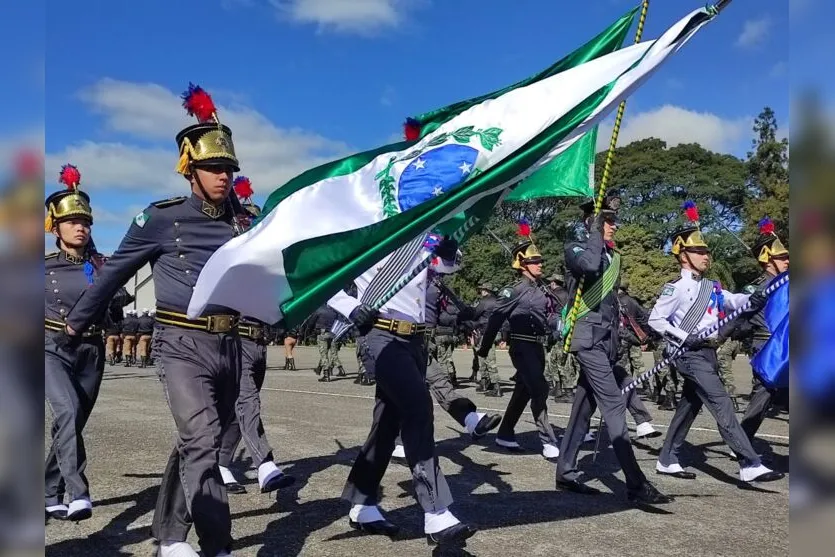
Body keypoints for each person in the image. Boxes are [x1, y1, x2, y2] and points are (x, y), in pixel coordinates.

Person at [61, 83, 250, 557]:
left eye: (228, 167)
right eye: (212, 167)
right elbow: (112, 275)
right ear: (190, 169)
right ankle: (218, 545)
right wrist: (75, 324)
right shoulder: (163, 219)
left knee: (197, 442)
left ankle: (168, 535)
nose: (223, 176)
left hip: (231, 346)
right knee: (203, 440)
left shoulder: (247, 220)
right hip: (180, 343)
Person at [328, 235, 477, 550]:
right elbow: (322, 276)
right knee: (418, 408)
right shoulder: (367, 224)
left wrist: (448, 249)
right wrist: (350, 305)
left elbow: (442, 266)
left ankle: (362, 503)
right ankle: (436, 511)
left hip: (416, 340)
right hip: (380, 334)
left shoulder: (422, 229)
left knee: (386, 425)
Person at [647, 201, 783, 484]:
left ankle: (666, 458)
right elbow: (655, 321)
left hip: (707, 352)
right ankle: (749, 463)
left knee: (689, 407)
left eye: (706, 251)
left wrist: (754, 298)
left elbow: (733, 300)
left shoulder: (711, 286)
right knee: (721, 402)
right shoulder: (676, 287)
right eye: (699, 251)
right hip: (688, 353)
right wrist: (685, 337)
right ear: (683, 255)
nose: (706, 255)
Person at [555, 192, 670, 504]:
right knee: (615, 405)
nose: (614, 226)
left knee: (582, 411)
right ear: (592, 221)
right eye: (608, 220)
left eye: (614, 220)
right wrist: (594, 231)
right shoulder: (575, 248)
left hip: (606, 342)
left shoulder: (612, 256)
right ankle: (635, 484)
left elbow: (612, 305)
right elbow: (590, 268)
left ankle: (565, 472)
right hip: (586, 339)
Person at [44, 164, 111, 522]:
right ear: (55, 227)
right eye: (72, 222)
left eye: (85, 222)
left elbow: (121, 299)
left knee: (72, 423)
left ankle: (47, 490)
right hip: (51, 348)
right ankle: (77, 492)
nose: (81, 227)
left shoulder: (101, 265)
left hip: (92, 351)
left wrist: (106, 276)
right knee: (67, 413)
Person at [218, 181, 294, 496]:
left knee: (239, 410)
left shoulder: (266, 262)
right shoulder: (228, 256)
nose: (250, 224)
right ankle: (265, 465)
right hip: (235, 341)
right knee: (248, 402)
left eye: (254, 220)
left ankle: (221, 463)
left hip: (259, 342)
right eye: (245, 219)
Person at [390, 261, 502, 460]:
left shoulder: (436, 281)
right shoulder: (405, 273)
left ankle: (470, 419)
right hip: (400, 338)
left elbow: (443, 313)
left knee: (436, 381)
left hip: (425, 340)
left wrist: (464, 319)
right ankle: (398, 440)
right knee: (405, 393)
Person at [478, 232, 561, 461]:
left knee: (524, 391)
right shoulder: (513, 290)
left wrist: (562, 323)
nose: (540, 264)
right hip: (521, 346)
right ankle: (548, 441)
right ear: (522, 263)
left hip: (538, 347)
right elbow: (496, 318)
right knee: (540, 388)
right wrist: (484, 347)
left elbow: (547, 317)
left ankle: (505, 433)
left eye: (540, 261)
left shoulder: (542, 289)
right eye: (535, 261)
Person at [729, 218, 790, 447]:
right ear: (766, 259)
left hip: (788, 347)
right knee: (763, 395)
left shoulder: (788, 283)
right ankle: (741, 442)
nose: (787, 260)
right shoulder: (756, 289)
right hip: (766, 347)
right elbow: (740, 318)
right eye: (782, 257)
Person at [544, 273, 578, 402]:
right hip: (565, 328)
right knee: (555, 359)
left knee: (561, 361)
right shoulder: (568, 294)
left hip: (559, 329)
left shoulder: (554, 295)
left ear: (553, 283)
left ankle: (567, 391)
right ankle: (558, 387)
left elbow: (547, 308)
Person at [471, 282, 501, 395]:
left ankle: (495, 386)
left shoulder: (483, 302)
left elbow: (475, 314)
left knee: (487, 359)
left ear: (486, 290)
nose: (481, 291)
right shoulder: (498, 301)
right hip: (494, 331)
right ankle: (485, 382)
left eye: (483, 289)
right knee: (485, 358)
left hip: (484, 332)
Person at [313, 303, 344, 381]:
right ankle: (319, 369)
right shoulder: (334, 312)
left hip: (322, 333)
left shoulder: (319, 309)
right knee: (329, 353)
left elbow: (312, 321)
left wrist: (309, 331)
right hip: (332, 333)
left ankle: (326, 375)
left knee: (324, 354)